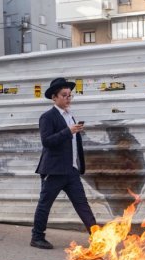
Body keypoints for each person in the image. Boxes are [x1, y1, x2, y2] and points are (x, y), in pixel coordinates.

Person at [30, 77, 97, 249]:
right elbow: (47, 141)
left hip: (71, 170)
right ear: (54, 97)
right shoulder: (47, 117)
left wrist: (74, 132)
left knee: (82, 204)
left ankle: (97, 236)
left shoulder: (70, 116)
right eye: (64, 95)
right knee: (45, 204)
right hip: (54, 170)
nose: (68, 98)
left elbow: (73, 143)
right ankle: (37, 237)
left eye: (70, 95)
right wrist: (68, 131)